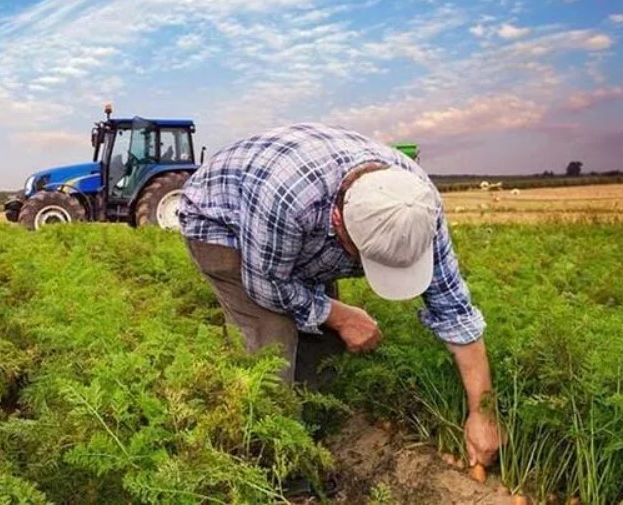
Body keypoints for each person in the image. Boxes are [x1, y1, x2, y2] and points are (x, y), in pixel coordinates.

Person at [178, 123, 501, 469]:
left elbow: (455, 310)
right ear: (339, 221)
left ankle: (316, 432)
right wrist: (342, 315)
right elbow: (267, 285)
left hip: (296, 227)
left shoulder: (417, 206)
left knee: (322, 341)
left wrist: (483, 412)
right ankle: (273, 463)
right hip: (222, 223)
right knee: (271, 344)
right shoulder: (288, 199)